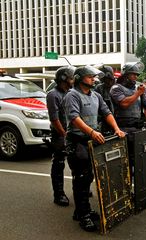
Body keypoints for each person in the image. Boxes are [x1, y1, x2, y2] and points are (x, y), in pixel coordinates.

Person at [63, 66, 126, 232]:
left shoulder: (96, 95)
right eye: (90, 76)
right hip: (77, 140)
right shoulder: (72, 95)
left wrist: (116, 129)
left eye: (93, 77)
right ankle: (83, 216)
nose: (93, 79)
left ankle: (81, 209)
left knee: (89, 175)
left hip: (91, 140)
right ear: (80, 78)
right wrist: (92, 132)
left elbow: (106, 113)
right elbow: (74, 118)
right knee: (81, 177)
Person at [46, 66, 75, 207]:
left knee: (77, 161)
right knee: (59, 163)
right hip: (59, 134)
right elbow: (54, 118)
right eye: (71, 77)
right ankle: (59, 194)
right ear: (64, 78)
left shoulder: (71, 93)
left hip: (72, 133)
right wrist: (64, 134)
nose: (73, 80)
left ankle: (81, 189)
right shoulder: (53, 94)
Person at [95, 65, 116, 134]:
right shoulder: (99, 88)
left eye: (103, 77)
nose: (102, 79)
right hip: (105, 121)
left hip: (119, 120)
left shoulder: (118, 85)